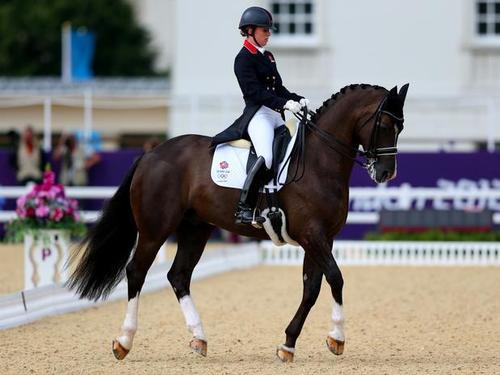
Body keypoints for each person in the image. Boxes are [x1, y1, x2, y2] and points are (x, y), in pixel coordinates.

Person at [211, 6, 309, 226]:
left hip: (275, 115)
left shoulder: (269, 56)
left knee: (292, 153)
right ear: (250, 30)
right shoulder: (243, 58)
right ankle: (244, 208)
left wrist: (297, 99)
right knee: (267, 157)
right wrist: (284, 104)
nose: (268, 33)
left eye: (268, 30)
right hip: (258, 115)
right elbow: (254, 93)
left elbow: (279, 88)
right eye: (264, 30)